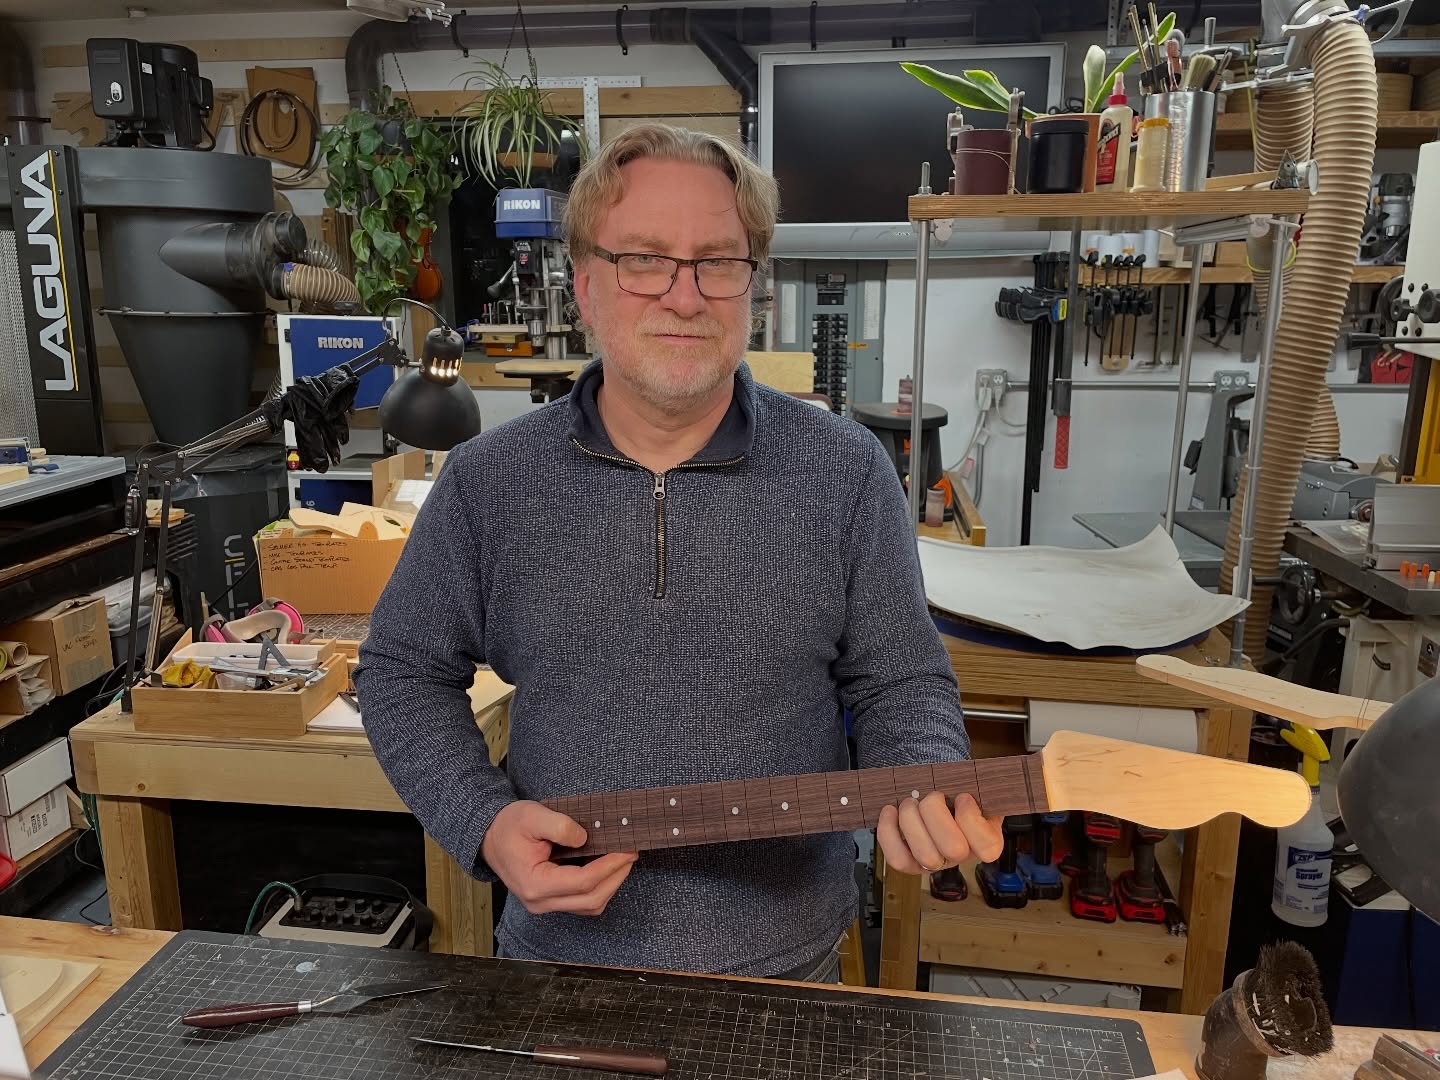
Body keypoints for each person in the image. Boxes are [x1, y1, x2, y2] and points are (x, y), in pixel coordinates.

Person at [355, 123, 1002, 981]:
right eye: (645, 259)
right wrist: (481, 821)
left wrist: (921, 773)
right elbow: (399, 671)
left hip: (794, 969)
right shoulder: (488, 483)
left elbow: (901, 679)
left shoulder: (845, 471)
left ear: (753, 287)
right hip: (559, 967)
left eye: (717, 261)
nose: (685, 295)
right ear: (585, 285)